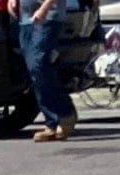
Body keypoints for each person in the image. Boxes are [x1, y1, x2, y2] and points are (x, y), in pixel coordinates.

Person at [18, 0, 76, 142]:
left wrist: (44, 9)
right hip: (25, 18)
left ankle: (65, 111)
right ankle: (51, 123)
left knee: (38, 65)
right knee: (34, 72)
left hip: (47, 16)